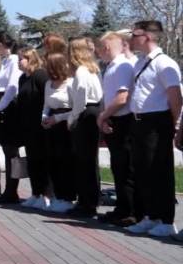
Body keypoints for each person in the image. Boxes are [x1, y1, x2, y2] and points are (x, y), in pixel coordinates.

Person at [125, 21, 182, 238]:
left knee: (159, 170)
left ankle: (166, 220)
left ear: (147, 36)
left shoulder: (164, 63)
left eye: (135, 34)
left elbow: (175, 97)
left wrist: (177, 127)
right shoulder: (140, 63)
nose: (132, 38)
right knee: (143, 169)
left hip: (157, 123)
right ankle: (150, 215)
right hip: (139, 121)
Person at [97, 31, 136, 226]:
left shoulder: (122, 66)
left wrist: (103, 115)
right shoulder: (111, 67)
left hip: (124, 122)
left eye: (100, 48)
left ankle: (130, 210)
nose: (99, 52)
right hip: (113, 120)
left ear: (106, 47)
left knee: (126, 168)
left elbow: (122, 97)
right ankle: (121, 207)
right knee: (118, 168)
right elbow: (108, 96)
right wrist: (105, 117)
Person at [66, 37, 103, 218]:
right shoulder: (92, 69)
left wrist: (73, 117)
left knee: (84, 160)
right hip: (93, 111)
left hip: (85, 113)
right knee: (89, 160)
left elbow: (80, 96)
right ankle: (90, 200)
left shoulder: (81, 71)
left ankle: (86, 203)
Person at [0, 31, 23, 203]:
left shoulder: (14, 61)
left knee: (11, 151)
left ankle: (12, 189)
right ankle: (8, 189)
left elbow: (12, 88)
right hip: (0, 102)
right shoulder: (5, 61)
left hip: (9, 107)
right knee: (7, 149)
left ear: (1, 44)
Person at [41, 53, 76, 213]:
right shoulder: (48, 83)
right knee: (52, 160)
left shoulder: (70, 84)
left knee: (66, 161)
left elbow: (77, 109)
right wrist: (44, 117)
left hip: (66, 123)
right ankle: (57, 195)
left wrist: (58, 118)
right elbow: (46, 104)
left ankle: (68, 197)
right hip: (51, 123)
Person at [16, 47, 51, 209]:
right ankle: (35, 193)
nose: (18, 61)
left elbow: (47, 97)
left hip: (40, 125)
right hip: (27, 125)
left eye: (21, 58)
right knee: (32, 160)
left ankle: (46, 194)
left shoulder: (40, 75)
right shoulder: (23, 78)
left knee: (43, 159)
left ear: (30, 59)